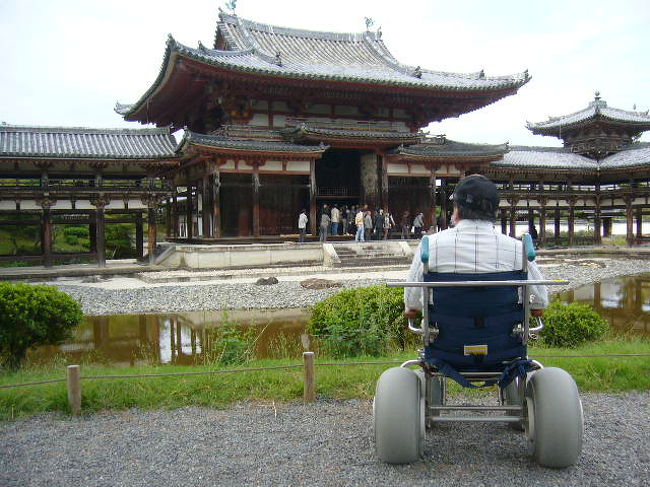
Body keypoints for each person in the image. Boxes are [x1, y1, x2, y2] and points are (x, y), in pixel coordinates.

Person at [404, 174, 548, 318]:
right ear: (495, 211)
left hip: (446, 337)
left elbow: (412, 303)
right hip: (503, 338)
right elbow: (539, 302)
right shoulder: (519, 249)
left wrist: (414, 308)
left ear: (457, 210)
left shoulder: (429, 245)